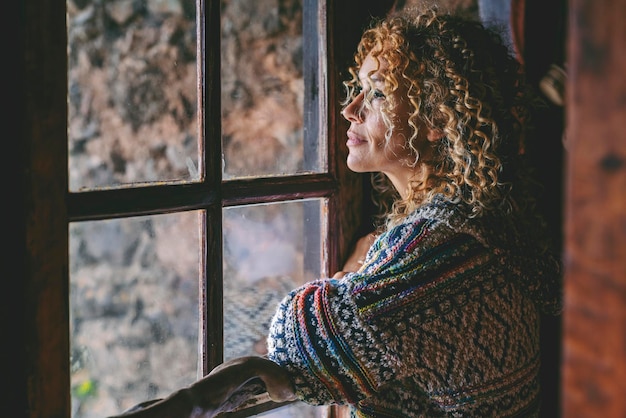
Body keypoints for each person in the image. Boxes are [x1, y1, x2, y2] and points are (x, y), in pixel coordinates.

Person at [111, 6, 562, 418]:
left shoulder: (439, 246)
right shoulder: (477, 219)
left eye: (378, 94)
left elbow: (297, 337)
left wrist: (351, 273)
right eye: (359, 90)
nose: (350, 109)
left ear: (437, 120)